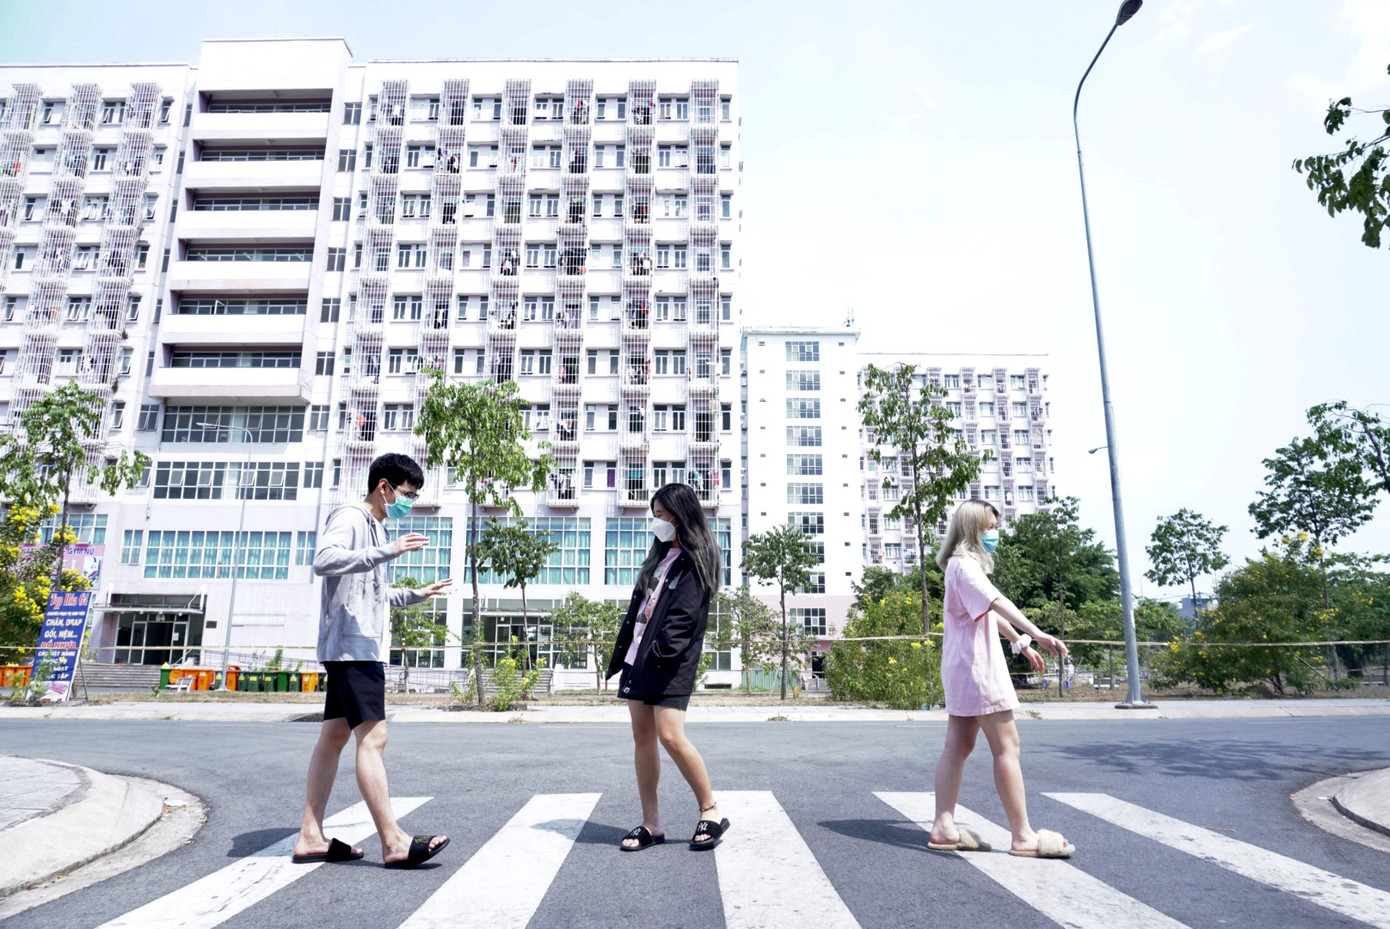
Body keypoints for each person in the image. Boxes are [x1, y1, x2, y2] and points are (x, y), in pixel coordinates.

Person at [293, 453, 453, 869]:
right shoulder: (351, 517)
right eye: (407, 494)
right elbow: (323, 561)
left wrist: (417, 594)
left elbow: (373, 594)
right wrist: (386, 551)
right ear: (384, 486)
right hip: (353, 648)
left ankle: (310, 835)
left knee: (334, 737)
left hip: (354, 646)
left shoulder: (376, 528)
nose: (409, 503)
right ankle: (393, 841)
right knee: (374, 738)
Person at [927, 499, 1075, 858]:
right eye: (990, 528)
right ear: (973, 529)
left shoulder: (958, 566)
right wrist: (1037, 633)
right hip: (979, 668)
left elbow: (987, 612)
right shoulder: (966, 566)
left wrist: (1021, 643)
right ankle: (1023, 836)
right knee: (1007, 747)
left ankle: (943, 827)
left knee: (958, 746)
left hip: (962, 667)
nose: (995, 533)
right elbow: (996, 602)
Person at [606, 483, 728, 852]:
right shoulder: (659, 558)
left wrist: (659, 653)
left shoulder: (696, 560)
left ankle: (710, 809)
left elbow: (684, 618)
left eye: (661, 515)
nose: (656, 521)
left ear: (680, 515)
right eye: (654, 514)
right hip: (638, 659)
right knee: (642, 738)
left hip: (668, 661)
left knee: (671, 736)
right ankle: (651, 824)